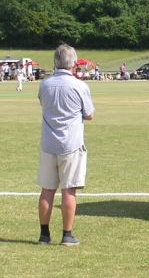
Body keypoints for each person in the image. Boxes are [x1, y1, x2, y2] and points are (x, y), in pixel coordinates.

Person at [37, 44, 95, 246]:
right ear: (73, 63)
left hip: (48, 143)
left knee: (47, 190)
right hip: (71, 143)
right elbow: (89, 114)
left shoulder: (45, 84)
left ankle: (44, 234)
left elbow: (43, 104)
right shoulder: (80, 86)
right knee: (69, 191)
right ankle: (67, 234)